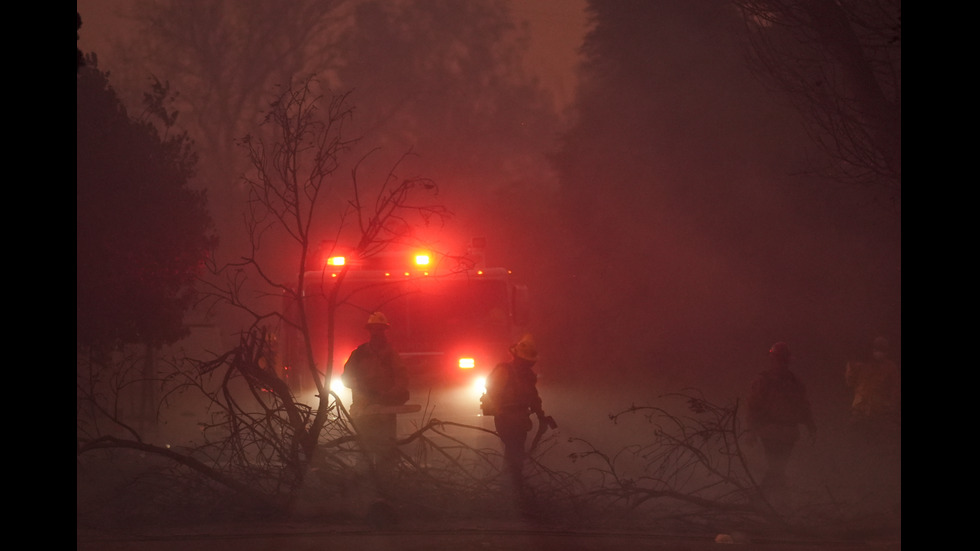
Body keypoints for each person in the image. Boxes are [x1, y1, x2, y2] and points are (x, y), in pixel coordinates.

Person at [481, 334, 551, 508]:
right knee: (514, 452)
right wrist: (500, 410)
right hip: (506, 417)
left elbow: (533, 397)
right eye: (526, 361)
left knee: (515, 453)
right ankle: (511, 490)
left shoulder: (528, 376)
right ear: (517, 357)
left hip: (520, 418)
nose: (529, 364)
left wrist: (541, 414)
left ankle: (510, 488)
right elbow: (491, 390)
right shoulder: (504, 370)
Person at [745, 342, 817, 497]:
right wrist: (751, 431)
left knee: (777, 468)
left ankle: (767, 501)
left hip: (779, 432)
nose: (780, 363)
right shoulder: (781, 381)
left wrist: (811, 426)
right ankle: (774, 501)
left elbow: (803, 406)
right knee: (777, 467)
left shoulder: (790, 381)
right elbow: (753, 407)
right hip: (776, 432)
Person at [341, 311, 410, 473]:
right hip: (362, 409)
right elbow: (346, 378)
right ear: (369, 330)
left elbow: (402, 379)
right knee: (364, 449)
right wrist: (361, 389)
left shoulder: (391, 355)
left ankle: (387, 482)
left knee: (386, 449)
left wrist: (390, 395)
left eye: (380, 329)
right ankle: (365, 482)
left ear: (385, 331)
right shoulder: (358, 354)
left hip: (384, 410)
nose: (377, 332)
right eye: (374, 329)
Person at [845, 336, 901, 453]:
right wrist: (851, 366)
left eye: (882, 350)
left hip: (879, 410)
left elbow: (895, 388)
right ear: (872, 350)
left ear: (887, 352)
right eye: (877, 349)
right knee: (855, 442)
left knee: (877, 443)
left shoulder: (890, 367)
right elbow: (850, 383)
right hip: (860, 408)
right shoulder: (862, 365)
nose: (879, 353)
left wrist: (892, 407)